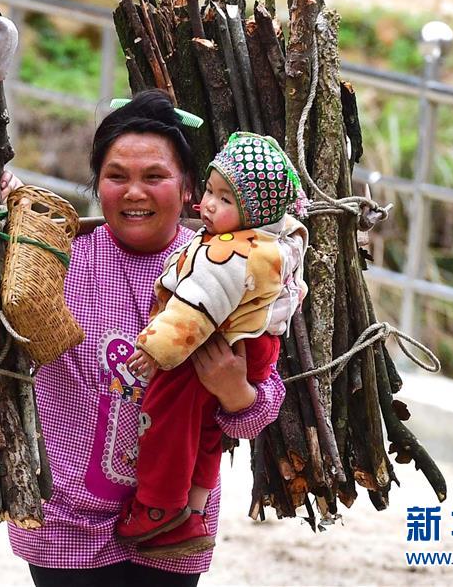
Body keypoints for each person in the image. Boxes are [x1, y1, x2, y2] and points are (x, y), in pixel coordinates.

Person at [1, 90, 286, 587]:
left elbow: (258, 412)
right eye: (117, 177)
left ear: (189, 187)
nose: (135, 192)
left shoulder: (227, 270)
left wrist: (233, 390)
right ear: (97, 184)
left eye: (154, 177)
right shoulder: (60, 263)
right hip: (65, 522)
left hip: (173, 529)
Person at [117, 132, 309, 557]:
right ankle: (194, 511)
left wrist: (156, 348)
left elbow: (194, 308)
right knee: (204, 428)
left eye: (224, 200)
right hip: (253, 346)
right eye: (209, 191)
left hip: (216, 345)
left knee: (166, 413)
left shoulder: (227, 254)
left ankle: (158, 505)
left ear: (253, 214)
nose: (207, 205)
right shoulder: (273, 243)